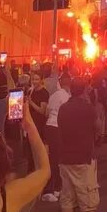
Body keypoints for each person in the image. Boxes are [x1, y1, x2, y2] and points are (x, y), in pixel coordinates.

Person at [57, 77, 103, 212]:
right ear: (84, 90)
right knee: (88, 199)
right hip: (84, 158)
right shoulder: (88, 108)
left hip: (65, 158)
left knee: (67, 198)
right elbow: (98, 127)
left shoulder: (63, 109)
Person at [41, 70, 71, 202]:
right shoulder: (66, 97)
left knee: (51, 159)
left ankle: (55, 188)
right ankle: (52, 189)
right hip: (57, 128)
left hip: (48, 127)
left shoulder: (53, 96)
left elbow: (47, 112)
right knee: (56, 160)